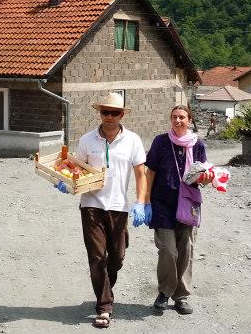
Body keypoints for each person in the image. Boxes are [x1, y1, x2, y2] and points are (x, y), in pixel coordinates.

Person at [55, 92, 147, 329]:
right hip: (92, 205)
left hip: (119, 207)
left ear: (122, 115)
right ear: (100, 113)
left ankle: (104, 287)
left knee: (116, 258)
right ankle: (104, 307)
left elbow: (140, 174)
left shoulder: (133, 140)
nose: (109, 116)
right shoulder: (87, 140)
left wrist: (140, 202)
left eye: (114, 112)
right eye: (105, 112)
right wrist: (67, 181)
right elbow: (77, 168)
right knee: (97, 257)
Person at [142, 105, 210, 316]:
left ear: (189, 120)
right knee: (168, 251)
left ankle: (181, 296)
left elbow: (203, 175)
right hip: (162, 203)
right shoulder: (161, 142)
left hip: (188, 204)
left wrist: (207, 178)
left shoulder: (198, 144)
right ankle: (164, 292)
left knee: (186, 250)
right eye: (174, 117)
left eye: (181, 117)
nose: (177, 120)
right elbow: (150, 172)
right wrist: (145, 201)